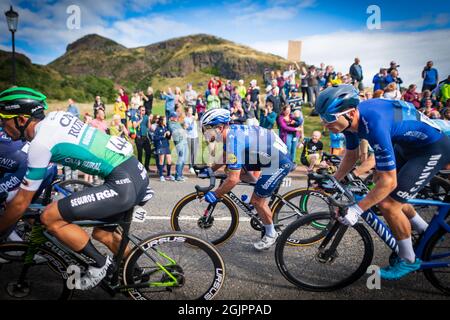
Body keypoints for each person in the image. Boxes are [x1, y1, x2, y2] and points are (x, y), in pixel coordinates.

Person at [0, 87, 150, 289]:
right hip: (134, 172)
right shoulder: (55, 117)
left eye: (3, 119)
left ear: (20, 119)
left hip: (122, 182)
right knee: (103, 234)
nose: (2, 124)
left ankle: (99, 264)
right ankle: (135, 271)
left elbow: (20, 203)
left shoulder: (40, 143)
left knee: (49, 216)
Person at [316, 84, 450, 280]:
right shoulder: (350, 121)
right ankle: (425, 231)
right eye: (322, 118)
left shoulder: (374, 123)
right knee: (383, 189)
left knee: (388, 203)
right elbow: (351, 155)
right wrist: (334, 179)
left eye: (328, 118)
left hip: (432, 148)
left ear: (351, 113)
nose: (324, 124)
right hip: (407, 145)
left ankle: (409, 259)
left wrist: (357, 210)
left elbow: (389, 182)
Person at [200, 109, 294, 250]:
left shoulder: (234, 141)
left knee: (257, 201)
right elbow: (226, 156)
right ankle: (260, 187)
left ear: (219, 128)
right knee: (231, 168)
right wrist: (210, 169)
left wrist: (216, 194)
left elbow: (233, 180)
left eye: (206, 129)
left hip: (278, 162)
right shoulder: (230, 133)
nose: (204, 133)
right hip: (268, 154)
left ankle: (271, 234)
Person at [168, 111, 188, 182]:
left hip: (184, 141)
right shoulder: (170, 124)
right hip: (179, 143)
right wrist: (182, 130)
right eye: (175, 117)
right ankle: (177, 176)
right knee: (180, 159)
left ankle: (180, 174)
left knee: (184, 159)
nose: (176, 118)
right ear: (171, 118)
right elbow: (175, 132)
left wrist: (184, 129)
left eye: (176, 116)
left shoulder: (177, 123)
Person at [153, 116, 174, 182]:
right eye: (165, 120)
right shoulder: (158, 128)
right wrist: (163, 136)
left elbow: (168, 138)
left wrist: (169, 134)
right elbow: (155, 138)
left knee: (169, 160)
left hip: (166, 146)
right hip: (160, 146)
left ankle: (168, 175)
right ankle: (161, 175)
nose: (166, 121)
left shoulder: (166, 127)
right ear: (161, 121)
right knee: (161, 160)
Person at [133, 106, 152, 171]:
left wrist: (149, 119)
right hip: (138, 137)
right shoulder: (135, 117)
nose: (142, 112)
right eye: (141, 110)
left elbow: (149, 127)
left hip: (145, 137)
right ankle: (140, 168)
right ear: (138, 110)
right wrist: (140, 119)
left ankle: (146, 166)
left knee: (148, 152)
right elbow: (134, 126)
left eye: (143, 110)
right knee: (140, 153)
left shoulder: (146, 117)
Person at [184, 106, 199, 174]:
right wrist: (193, 120)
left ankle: (194, 166)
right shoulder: (186, 119)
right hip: (189, 137)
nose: (191, 112)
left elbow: (197, 117)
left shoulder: (194, 117)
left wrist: (196, 113)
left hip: (195, 136)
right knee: (191, 152)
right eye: (189, 111)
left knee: (195, 152)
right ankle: (190, 167)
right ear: (187, 112)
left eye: (191, 110)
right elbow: (188, 128)